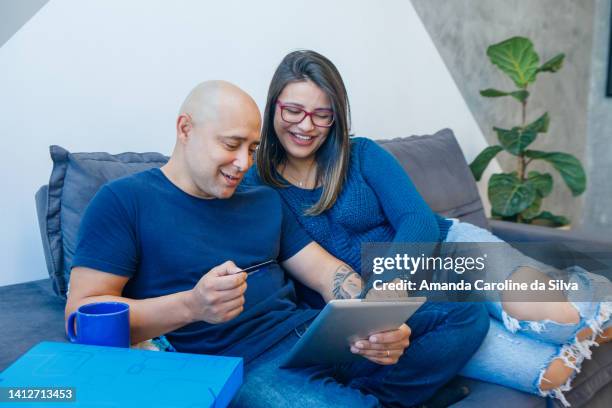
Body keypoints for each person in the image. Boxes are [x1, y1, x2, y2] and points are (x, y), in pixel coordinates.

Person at [65, 80, 490, 408]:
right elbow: (81, 320)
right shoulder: (125, 201)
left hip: (309, 334)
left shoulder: (263, 198)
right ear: (185, 129)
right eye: (231, 145)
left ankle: (375, 393)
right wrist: (192, 306)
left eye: (251, 148)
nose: (244, 164)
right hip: (242, 365)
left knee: (463, 314)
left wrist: (376, 323)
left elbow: (327, 274)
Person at [245, 50, 612, 406]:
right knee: (549, 374)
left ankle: (599, 300)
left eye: (322, 115)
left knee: (558, 318)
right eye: (293, 110)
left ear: (336, 117)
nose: (306, 125)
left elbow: (417, 220)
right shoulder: (260, 187)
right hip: (405, 305)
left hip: (448, 251)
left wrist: (395, 279)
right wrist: (381, 307)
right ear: (273, 106)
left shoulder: (361, 154)